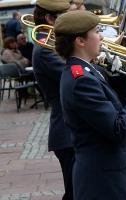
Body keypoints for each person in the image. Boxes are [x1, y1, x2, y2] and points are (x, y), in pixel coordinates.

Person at [53, 10, 126, 199]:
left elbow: (118, 108)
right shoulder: (81, 79)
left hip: (109, 172)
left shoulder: (88, 70)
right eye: (97, 31)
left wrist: (118, 76)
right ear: (80, 41)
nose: (102, 36)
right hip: (103, 180)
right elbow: (117, 128)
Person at [31, 0, 78, 198]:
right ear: (50, 18)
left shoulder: (53, 43)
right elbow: (77, 79)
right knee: (75, 193)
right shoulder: (45, 48)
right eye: (65, 14)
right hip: (67, 131)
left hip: (73, 129)